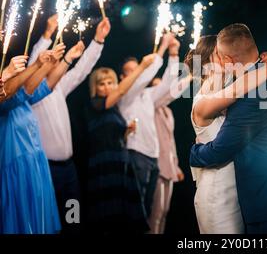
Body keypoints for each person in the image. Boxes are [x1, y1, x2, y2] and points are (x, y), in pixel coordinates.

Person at [189, 25, 267, 234]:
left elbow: (220, 149)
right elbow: (239, 86)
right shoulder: (252, 82)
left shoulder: (253, 87)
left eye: (222, 57)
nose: (222, 62)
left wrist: (194, 153)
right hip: (228, 191)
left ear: (228, 59)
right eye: (217, 58)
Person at [28, 16, 110, 234]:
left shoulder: (60, 87)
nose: (55, 64)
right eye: (50, 61)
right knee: (48, 221)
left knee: (72, 218)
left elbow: (82, 69)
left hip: (69, 169)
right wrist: (47, 34)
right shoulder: (30, 95)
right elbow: (33, 63)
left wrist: (98, 40)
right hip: (46, 169)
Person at [85, 50, 160, 234]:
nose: (107, 87)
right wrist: (142, 66)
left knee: (123, 213)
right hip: (104, 164)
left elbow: (113, 135)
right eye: (102, 84)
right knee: (107, 213)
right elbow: (121, 90)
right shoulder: (96, 104)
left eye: (110, 82)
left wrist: (126, 131)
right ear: (95, 87)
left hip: (120, 161)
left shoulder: (115, 110)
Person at [0, 44, 66, 234]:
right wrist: (37, 65)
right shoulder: (7, 101)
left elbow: (41, 86)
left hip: (36, 163)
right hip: (16, 167)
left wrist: (62, 60)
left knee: (40, 220)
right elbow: (12, 91)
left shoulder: (23, 99)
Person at [118, 33, 180, 225]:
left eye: (137, 69)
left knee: (150, 213)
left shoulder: (148, 95)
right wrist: (161, 47)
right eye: (130, 71)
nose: (137, 73)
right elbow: (143, 78)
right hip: (136, 154)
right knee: (137, 213)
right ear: (122, 77)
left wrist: (174, 53)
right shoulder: (124, 96)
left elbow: (169, 82)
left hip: (153, 157)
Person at [147, 75, 190, 234]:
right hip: (156, 164)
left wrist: (176, 165)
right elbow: (171, 93)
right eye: (159, 88)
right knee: (155, 212)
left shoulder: (168, 111)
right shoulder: (150, 106)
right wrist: (189, 78)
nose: (163, 91)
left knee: (164, 211)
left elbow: (170, 141)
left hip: (169, 164)